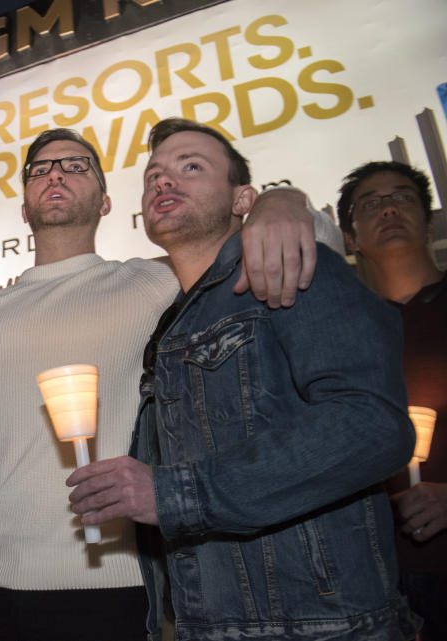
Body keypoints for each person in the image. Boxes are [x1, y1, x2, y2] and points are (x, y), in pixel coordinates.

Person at [0, 122, 325, 640]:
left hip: (113, 586)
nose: (56, 174)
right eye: (40, 170)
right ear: (25, 207)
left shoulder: (158, 281)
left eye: (76, 166)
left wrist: (283, 201)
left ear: (107, 202)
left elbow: (288, 249)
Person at [67, 118, 419, 640]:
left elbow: (373, 425)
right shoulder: (169, 326)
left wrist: (174, 494)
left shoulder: (290, 265)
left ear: (242, 200)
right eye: (154, 175)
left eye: (192, 167)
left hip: (322, 627)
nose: (164, 181)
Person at [338, 160, 447, 639]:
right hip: (381, 579)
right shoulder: (341, 334)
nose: (388, 209)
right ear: (350, 237)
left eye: (402, 197)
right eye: (371, 202)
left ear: (428, 220)